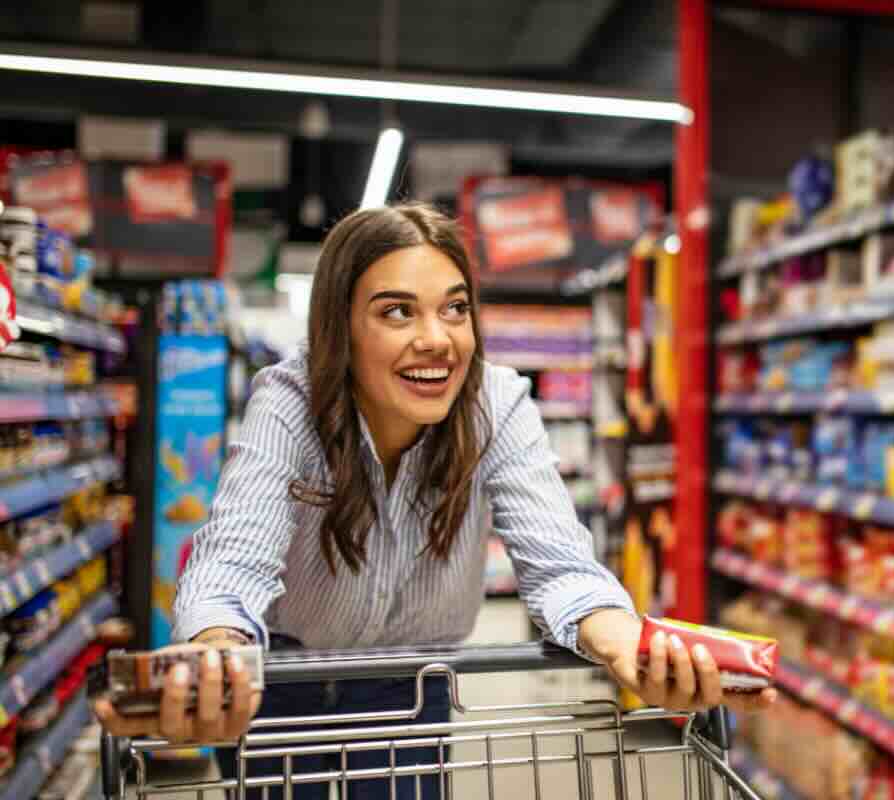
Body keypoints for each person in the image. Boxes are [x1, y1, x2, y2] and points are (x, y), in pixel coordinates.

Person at [93, 202, 776, 799]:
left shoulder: (497, 405)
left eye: (455, 308)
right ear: (341, 328)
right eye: (397, 312)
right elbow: (233, 559)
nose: (437, 338)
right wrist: (216, 656)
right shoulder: (292, 400)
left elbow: (562, 566)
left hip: (415, 688)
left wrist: (626, 641)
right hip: (283, 692)